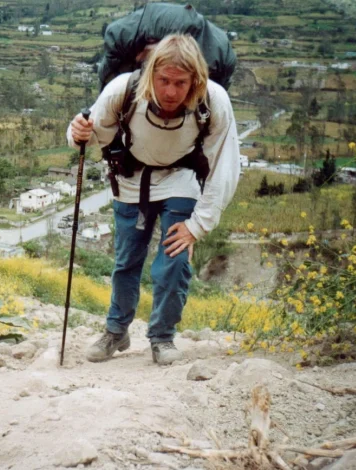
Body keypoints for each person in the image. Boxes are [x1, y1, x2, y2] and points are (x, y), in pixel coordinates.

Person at [67, 34, 240, 365]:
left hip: (181, 179)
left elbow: (225, 165)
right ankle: (116, 332)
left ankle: (162, 337)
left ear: (196, 80)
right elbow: (91, 135)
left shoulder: (213, 100)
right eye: (164, 81)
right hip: (130, 181)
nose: (172, 92)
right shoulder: (123, 89)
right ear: (151, 75)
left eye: (181, 83)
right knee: (126, 262)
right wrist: (77, 133)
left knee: (174, 261)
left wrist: (198, 225)